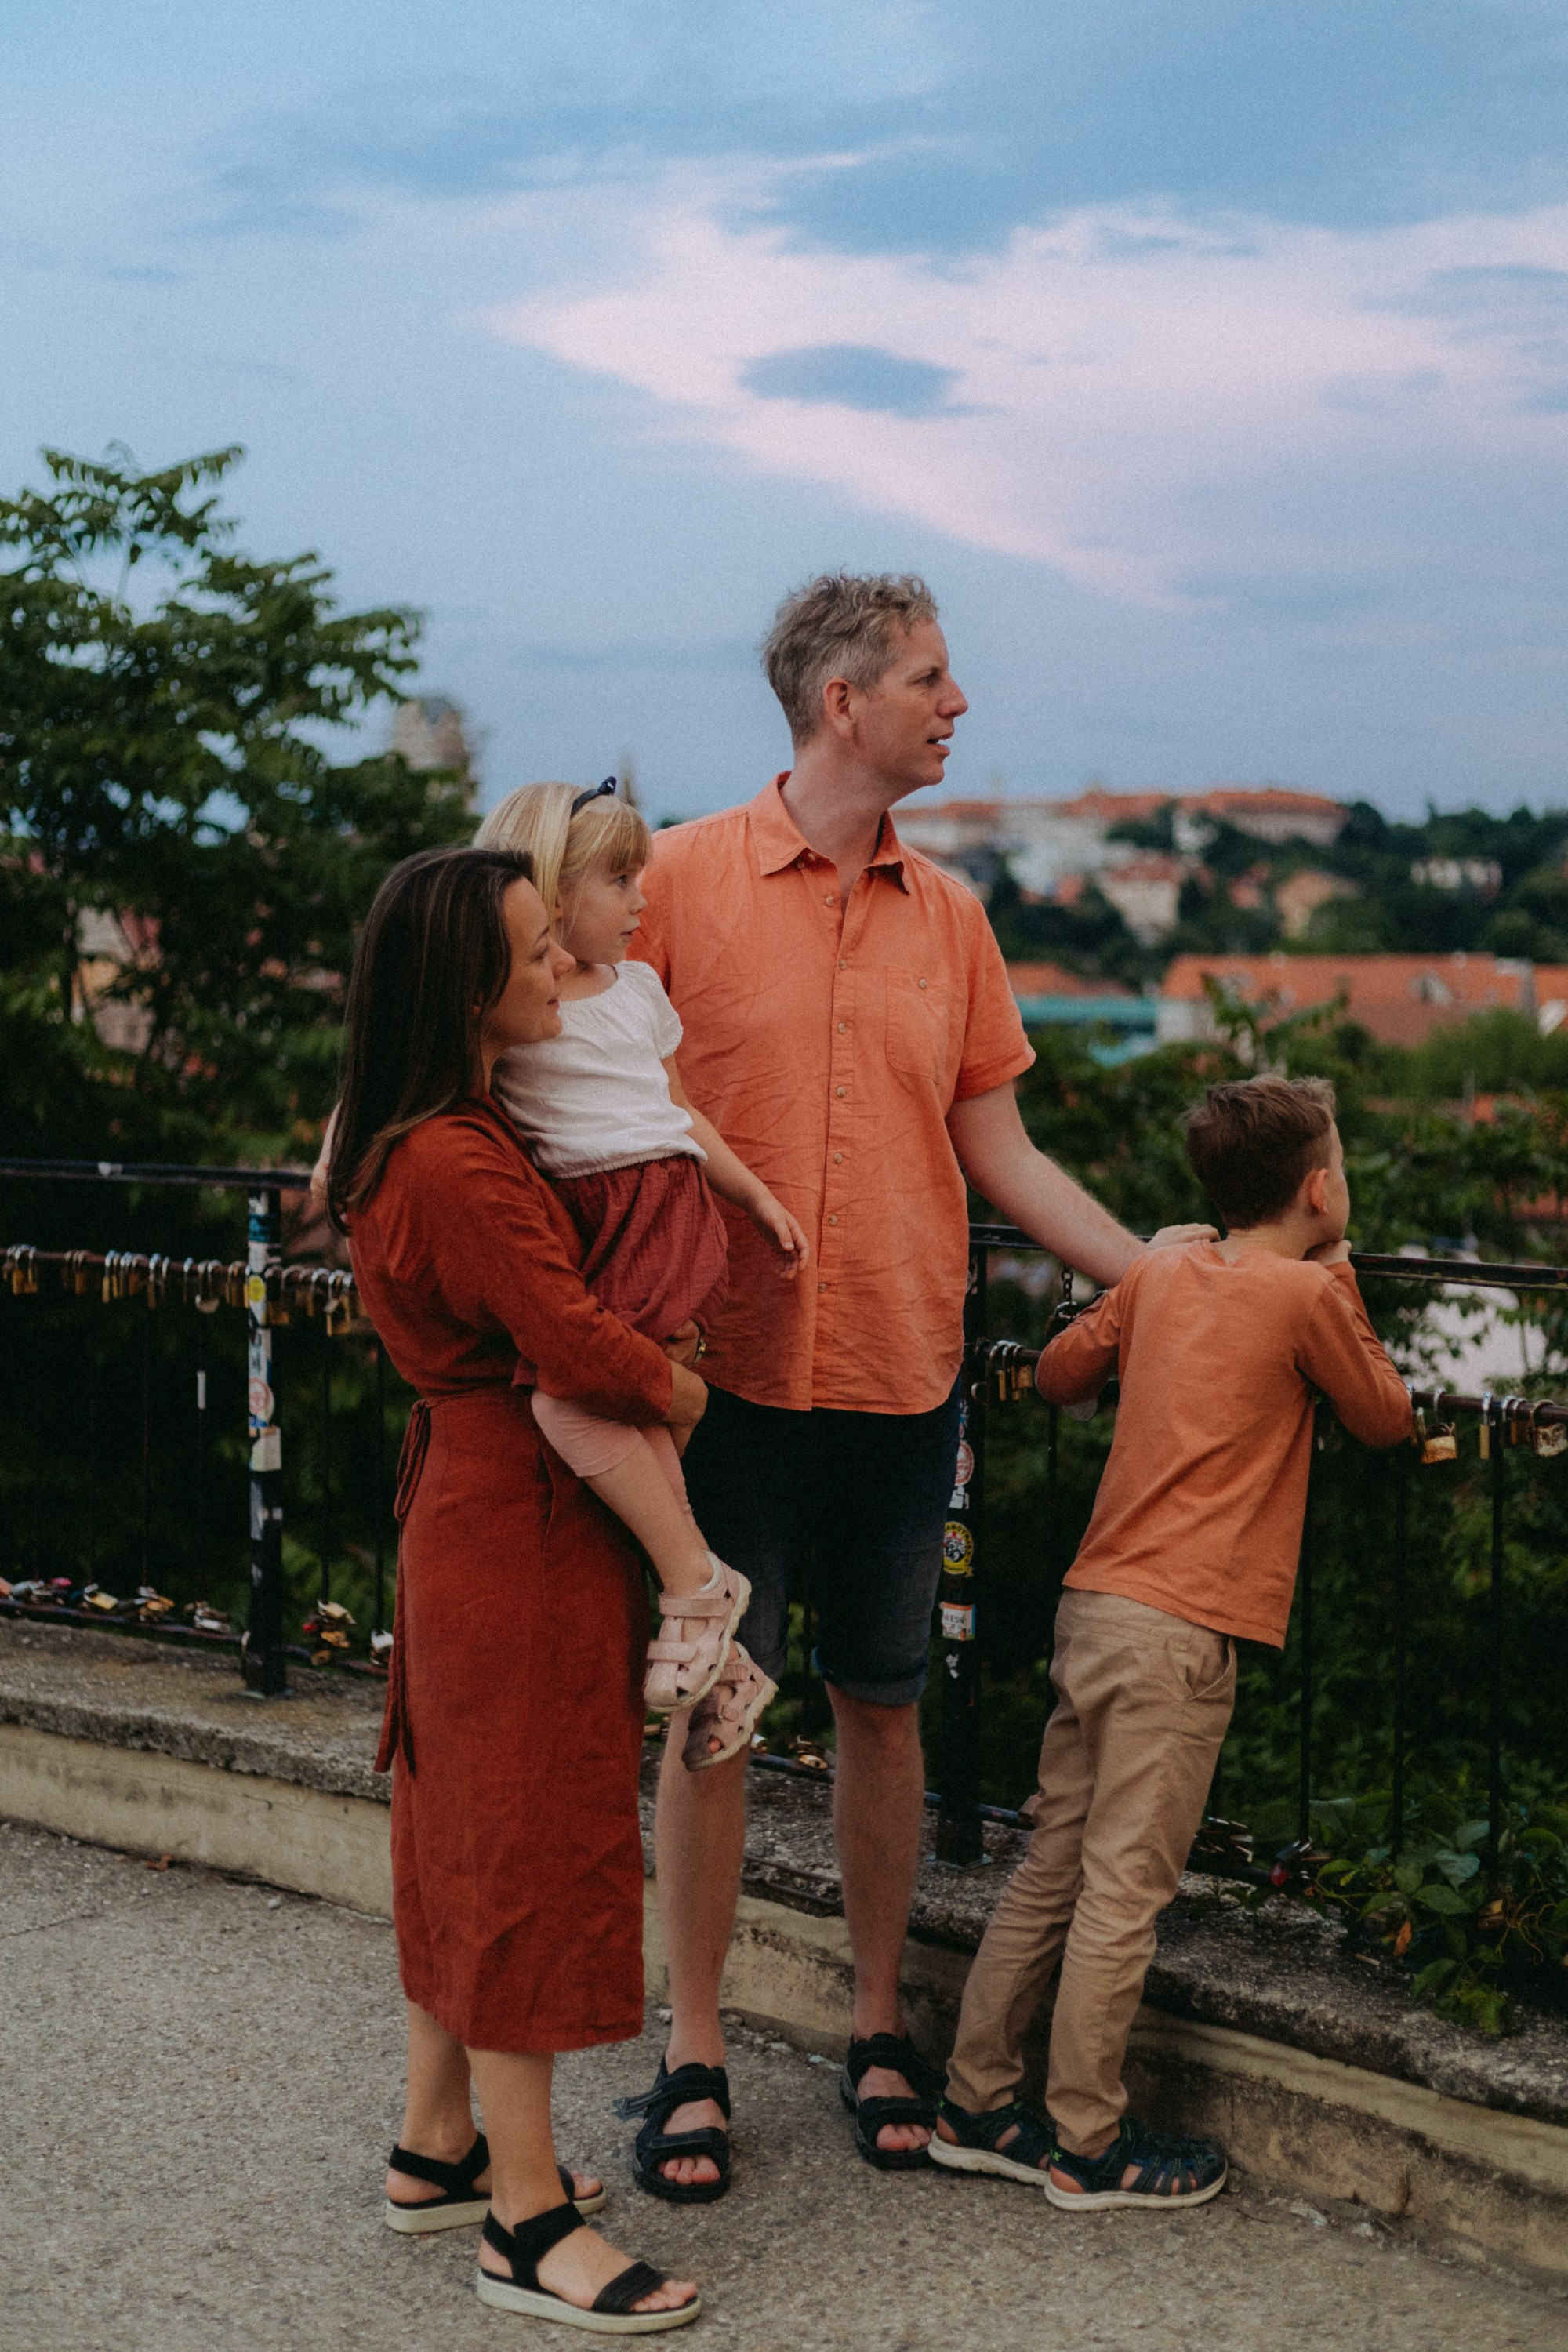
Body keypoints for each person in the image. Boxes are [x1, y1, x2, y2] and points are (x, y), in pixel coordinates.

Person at [620, 572, 1214, 2198]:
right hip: (717, 1378)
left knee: (885, 1707)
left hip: (900, 1374)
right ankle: (692, 2048)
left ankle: (880, 2027)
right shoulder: (672, 882)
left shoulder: (951, 916)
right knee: (712, 1716)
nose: (957, 707)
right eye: (932, 681)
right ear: (844, 701)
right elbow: (604, 1100)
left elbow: (997, 1147)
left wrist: (1159, 1275)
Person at [332, 844, 703, 2331]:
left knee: (461, 1828)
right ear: (465, 984)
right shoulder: (456, 1157)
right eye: (539, 950)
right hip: (519, 1521)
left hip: (468, 1507)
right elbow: (569, 1336)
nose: (564, 967)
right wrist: (683, 1391)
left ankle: (439, 2144)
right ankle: (529, 2222)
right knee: (531, 1842)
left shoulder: (413, 1130)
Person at [931, 1075, 1412, 2207]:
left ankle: (972, 2099)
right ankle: (1087, 2144)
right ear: (1319, 1188)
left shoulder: (1158, 1270)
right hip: (1184, 1629)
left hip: (1094, 1605)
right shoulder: (1309, 1295)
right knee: (1123, 1891)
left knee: (1053, 1861)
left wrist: (1151, 1260)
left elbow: (1057, 1378)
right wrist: (1339, 1280)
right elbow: (1384, 1417)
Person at [474, 775, 808, 1762]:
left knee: (567, 1400)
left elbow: (678, 1116)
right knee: (627, 1406)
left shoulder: (635, 994)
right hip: (600, 1218)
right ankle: (729, 1643)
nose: (640, 901)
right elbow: (424, 1065)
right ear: (551, 889)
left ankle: (695, 1584)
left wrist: (749, 1192)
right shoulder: (518, 1001)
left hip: (648, 1212)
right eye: (619, 881)